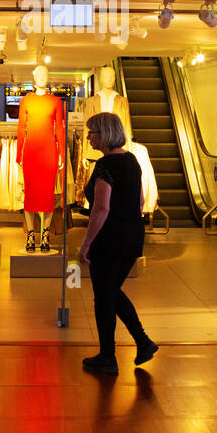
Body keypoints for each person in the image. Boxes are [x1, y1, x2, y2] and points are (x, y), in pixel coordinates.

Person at [78, 111, 157, 375]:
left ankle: (108, 356)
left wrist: (86, 243)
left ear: (106, 134)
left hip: (110, 239)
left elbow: (101, 208)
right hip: (132, 235)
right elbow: (140, 202)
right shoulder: (132, 160)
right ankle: (142, 342)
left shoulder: (105, 166)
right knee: (111, 292)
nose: (89, 137)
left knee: (104, 297)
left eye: (93, 133)